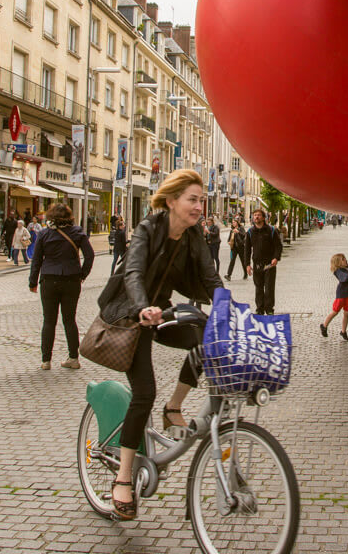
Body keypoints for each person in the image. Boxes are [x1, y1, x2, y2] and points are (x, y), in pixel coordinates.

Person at [98, 168, 220, 520]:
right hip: (131, 314)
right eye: (192, 200)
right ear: (172, 201)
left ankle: (173, 408)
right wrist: (141, 308)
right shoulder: (147, 229)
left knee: (206, 339)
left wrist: (230, 310)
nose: (199, 206)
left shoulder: (193, 235)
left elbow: (209, 276)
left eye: (201, 200)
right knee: (143, 392)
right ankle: (122, 478)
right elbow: (133, 272)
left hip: (160, 312)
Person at [29, 203, 93, 371]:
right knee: (69, 320)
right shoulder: (78, 232)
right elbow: (90, 255)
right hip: (71, 279)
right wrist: (82, 274)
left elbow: (36, 260)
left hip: (49, 279)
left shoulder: (44, 234)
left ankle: (46, 361)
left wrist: (33, 282)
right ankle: (73, 357)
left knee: (49, 320)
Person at [245, 208, 283, 315]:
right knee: (258, 287)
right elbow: (247, 250)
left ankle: (269, 309)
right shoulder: (250, 232)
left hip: (269, 264)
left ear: (263, 217)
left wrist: (276, 258)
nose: (256, 217)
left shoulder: (271, 230)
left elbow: (278, 246)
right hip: (257, 265)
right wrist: (247, 265)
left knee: (269, 287)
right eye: (255, 215)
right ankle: (259, 309)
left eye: (258, 215)